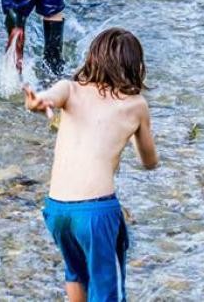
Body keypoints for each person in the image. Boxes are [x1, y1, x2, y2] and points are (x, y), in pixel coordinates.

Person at [25, 28, 159, 302]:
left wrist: (40, 103)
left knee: (76, 272)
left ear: (92, 58)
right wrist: (131, 135)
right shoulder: (136, 105)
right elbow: (149, 161)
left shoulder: (71, 88)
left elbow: (49, 97)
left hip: (57, 209)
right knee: (107, 288)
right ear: (136, 66)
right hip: (95, 211)